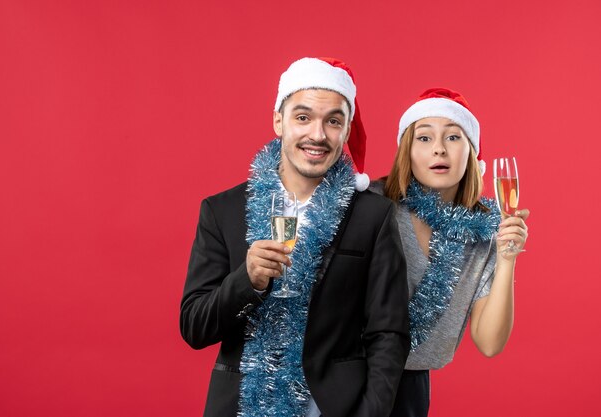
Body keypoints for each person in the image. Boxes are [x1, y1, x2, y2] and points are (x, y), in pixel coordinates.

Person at [180, 57, 409, 417]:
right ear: (278, 121)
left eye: (333, 121)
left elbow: (389, 333)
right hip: (239, 405)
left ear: (346, 131)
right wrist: (247, 280)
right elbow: (194, 327)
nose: (317, 135)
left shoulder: (373, 216)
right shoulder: (221, 211)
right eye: (303, 117)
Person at [371, 88, 530, 416]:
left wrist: (506, 259)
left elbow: (489, 343)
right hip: (350, 376)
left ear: (471, 153)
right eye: (424, 138)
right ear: (407, 151)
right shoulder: (374, 204)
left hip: (412, 390)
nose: (439, 149)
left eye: (453, 137)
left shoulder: (484, 232)